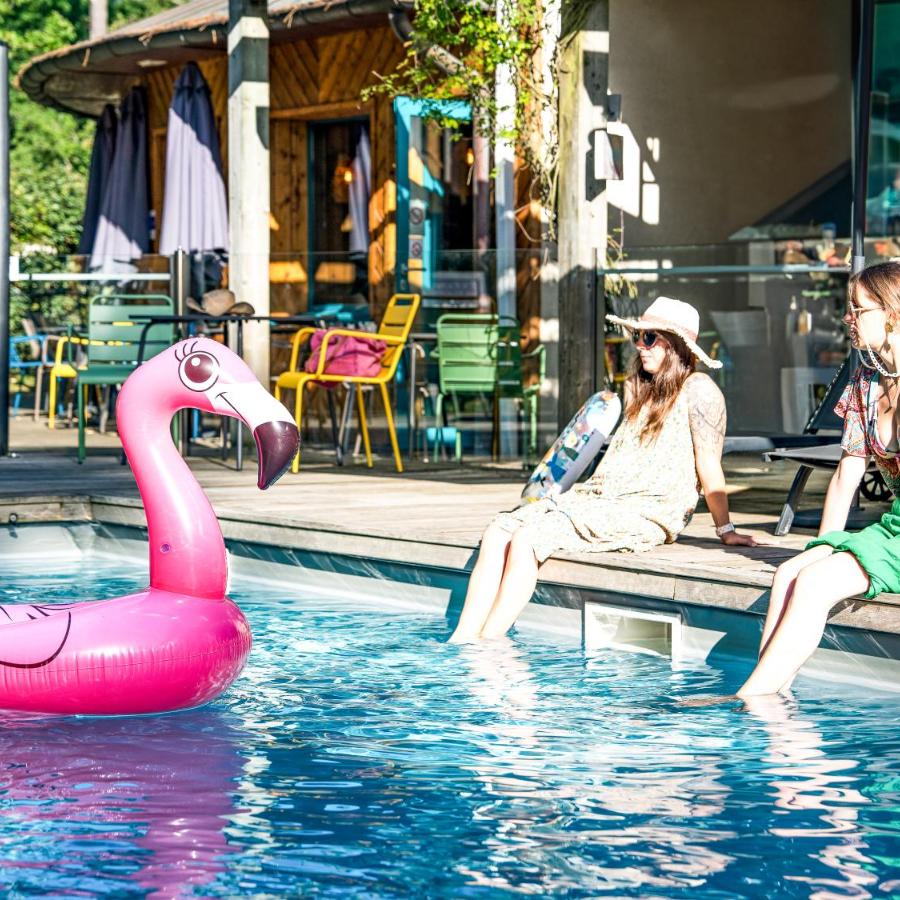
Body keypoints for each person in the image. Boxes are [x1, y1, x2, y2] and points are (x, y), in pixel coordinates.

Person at [449, 296, 757, 644]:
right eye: (637, 337)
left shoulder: (700, 391)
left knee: (526, 539)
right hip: (602, 497)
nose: (640, 346)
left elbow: (708, 464)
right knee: (498, 531)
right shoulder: (638, 386)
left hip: (648, 509)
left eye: (650, 338)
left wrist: (725, 529)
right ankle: (462, 640)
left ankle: (489, 642)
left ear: (676, 346)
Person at [737, 261, 900, 698]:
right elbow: (847, 474)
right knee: (790, 573)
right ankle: (773, 695)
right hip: (894, 529)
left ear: (892, 313)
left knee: (815, 582)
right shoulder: (868, 381)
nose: (847, 317)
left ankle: (750, 700)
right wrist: (825, 544)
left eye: (858, 309)